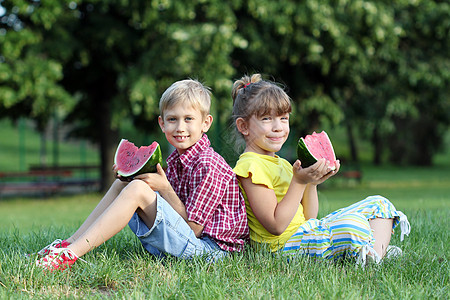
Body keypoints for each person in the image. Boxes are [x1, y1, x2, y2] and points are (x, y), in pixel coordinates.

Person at [34, 79, 249, 271]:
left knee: (136, 189)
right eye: (172, 119)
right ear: (162, 123)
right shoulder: (177, 159)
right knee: (124, 183)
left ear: (206, 123)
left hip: (211, 254)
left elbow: (193, 229)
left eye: (188, 119)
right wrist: (134, 175)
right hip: (189, 243)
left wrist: (163, 188)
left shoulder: (208, 165)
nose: (180, 127)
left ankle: (70, 256)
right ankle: (68, 243)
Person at [231, 74, 410, 264]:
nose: (278, 127)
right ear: (244, 126)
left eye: (284, 118)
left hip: (306, 234)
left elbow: (309, 217)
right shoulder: (250, 167)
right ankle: (373, 251)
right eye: (266, 119)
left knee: (379, 204)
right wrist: (299, 182)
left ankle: (372, 254)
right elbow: (275, 225)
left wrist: (312, 183)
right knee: (353, 225)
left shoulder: (282, 163)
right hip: (282, 248)